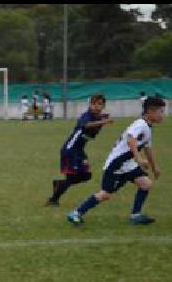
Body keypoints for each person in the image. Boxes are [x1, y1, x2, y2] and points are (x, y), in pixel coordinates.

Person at [67, 96, 165, 226]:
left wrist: (154, 167)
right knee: (105, 194)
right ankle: (76, 213)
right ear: (150, 112)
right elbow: (131, 139)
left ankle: (135, 216)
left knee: (146, 184)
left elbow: (147, 148)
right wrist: (138, 158)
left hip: (128, 164)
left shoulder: (148, 127)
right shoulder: (140, 124)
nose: (162, 115)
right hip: (117, 164)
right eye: (160, 112)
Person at [46, 94, 114, 206]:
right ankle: (53, 199)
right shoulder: (86, 115)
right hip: (70, 150)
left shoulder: (98, 118)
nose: (97, 106)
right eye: (94, 104)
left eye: (100, 104)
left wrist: (102, 119)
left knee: (87, 175)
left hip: (79, 151)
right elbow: (86, 125)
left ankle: (58, 186)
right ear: (90, 104)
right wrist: (103, 121)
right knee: (72, 177)